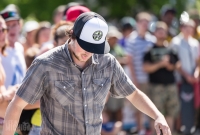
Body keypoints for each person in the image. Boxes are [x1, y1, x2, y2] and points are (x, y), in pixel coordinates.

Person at [2, 12, 171, 135]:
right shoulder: (45, 64)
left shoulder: (107, 61)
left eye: (94, 48)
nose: (89, 53)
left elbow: (133, 94)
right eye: (85, 46)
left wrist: (158, 116)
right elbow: (17, 104)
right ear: (73, 35)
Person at [143, 21, 180, 134]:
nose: (161, 33)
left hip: (170, 85)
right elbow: (145, 67)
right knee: (154, 113)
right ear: (154, 33)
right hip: (155, 86)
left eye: (163, 30)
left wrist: (170, 66)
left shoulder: (171, 49)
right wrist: (160, 64)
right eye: (158, 30)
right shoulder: (150, 50)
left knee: (170, 112)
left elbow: (178, 65)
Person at [126, 11, 155, 134]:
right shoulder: (131, 40)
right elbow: (130, 61)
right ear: (137, 23)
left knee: (152, 106)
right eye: (143, 22)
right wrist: (134, 79)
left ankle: (152, 130)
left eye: (147, 22)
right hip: (137, 78)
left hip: (151, 79)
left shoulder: (152, 40)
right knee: (138, 106)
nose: (145, 25)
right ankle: (140, 130)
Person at [171, 16, 199, 135]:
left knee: (195, 103)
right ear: (182, 28)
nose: (189, 30)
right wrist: (186, 75)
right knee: (180, 105)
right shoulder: (176, 42)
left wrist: (196, 74)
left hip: (194, 79)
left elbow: (198, 62)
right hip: (180, 79)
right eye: (187, 27)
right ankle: (178, 129)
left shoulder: (195, 43)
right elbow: (175, 62)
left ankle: (193, 126)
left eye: (191, 28)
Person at [0, 4, 26, 88]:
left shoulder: (19, 47)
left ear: (20, 26)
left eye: (14, 25)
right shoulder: (1, 49)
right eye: (7, 26)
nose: (11, 29)